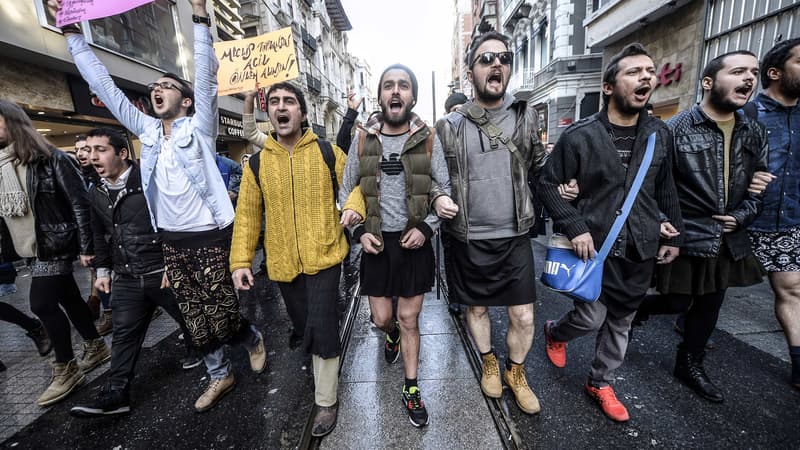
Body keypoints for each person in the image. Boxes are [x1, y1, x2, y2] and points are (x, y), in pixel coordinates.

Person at [50, 0, 266, 413]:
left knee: (219, 310)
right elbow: (107, 88)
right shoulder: (147, 133)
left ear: (186, 102)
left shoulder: (199, 127)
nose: (157, 90)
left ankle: (250, 336)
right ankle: (220, 373)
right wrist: (74, 37)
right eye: (154, 89)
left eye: (166, 86)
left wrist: (202, 15)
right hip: (170, 240)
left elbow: (204, 77)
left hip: (210, 235)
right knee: (193, 316)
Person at [538, 43, 683, 422]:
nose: (646, 77)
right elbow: (548, 185)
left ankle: (600, 381)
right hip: (594, 249)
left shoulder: (659, 135)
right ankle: (555, 331)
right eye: (634, 72)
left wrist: (672, 232)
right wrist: (574, 226)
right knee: (590, 318)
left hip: (639, 249)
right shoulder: (579, 136)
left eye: (650, 71)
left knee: (621, 323)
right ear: (608, 87)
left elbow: (665, 187)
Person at [635, 50, 769, 403]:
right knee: (677, 300)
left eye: (753, 72)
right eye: (738, 71)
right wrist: (665, 224)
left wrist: (742, 215)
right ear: (708, 82)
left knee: (710, 304)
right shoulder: (675, 128)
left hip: (727, 237)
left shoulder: (753, 130)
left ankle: (690, 362)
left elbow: (760, 185)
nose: (749, 79)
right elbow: (651, 186)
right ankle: (637, 310)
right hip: (687, 232)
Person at [435, 31, 553, 416]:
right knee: (478, 309)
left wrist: (565, 187)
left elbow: (540, 168)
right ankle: (489, 360)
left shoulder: (525, 115)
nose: (495, 64)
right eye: (486, 59)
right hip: (469, 237)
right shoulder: (449, 126)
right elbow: (434, 176)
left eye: (502, 58)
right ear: (471, 73)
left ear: (509, 67)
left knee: (523, 315)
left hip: (515, 235)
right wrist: (438, 196)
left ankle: (515, 372)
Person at [338, 64, 453, 428]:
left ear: (412, 97)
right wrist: (358, 235)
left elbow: (443, 189)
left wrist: (428, 229)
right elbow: (345, 192)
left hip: (413, 240)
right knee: (383, 318)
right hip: (376, 242)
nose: (396, 91)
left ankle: (412, 387)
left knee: (408, 319)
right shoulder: (363, 139)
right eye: (389, 85)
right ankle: (389, 337)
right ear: (381, 96)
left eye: (403, 85)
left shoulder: (427, 137)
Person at [234, 82, 348, 436]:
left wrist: (355, 210)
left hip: (326, 255)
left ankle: (326, 402)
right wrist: (240, 261)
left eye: (290, 102)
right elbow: (248, 216)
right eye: (276, 102)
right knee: (305, 326)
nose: (282, 107)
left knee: (323, 325)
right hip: (283, 264)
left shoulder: (329, 153)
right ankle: (311, 341)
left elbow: (355, 188)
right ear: (270, 113)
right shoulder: (255, 164)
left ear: (302, 112)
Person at [69, 128, 201, 417]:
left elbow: (175, 221)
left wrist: (173, 261)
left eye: (100, 150)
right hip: (126, 277)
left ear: (122, 153)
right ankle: (117, 394)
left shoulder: (151, 181)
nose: (92, 156)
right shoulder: (97, 192)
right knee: (124, 335)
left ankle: (203, 346)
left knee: (191, 320)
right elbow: (99, 232)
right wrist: (102, 271)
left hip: (161, 271)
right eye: (89, 150)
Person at [0, 99, 110, 406]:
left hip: (56, 245)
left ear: (13, 121)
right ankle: (96, 346)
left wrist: (88, 249)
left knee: (41, 303)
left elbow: (80, 204)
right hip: (29, 250)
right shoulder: (1, 164)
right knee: (69, 299)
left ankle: (66, 368)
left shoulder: (51, 158)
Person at [745, 38, 800, 389]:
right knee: (705, 295)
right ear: (775, 72)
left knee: (792, 290)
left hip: (789, 222)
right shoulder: (746, 115)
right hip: (741, 221)